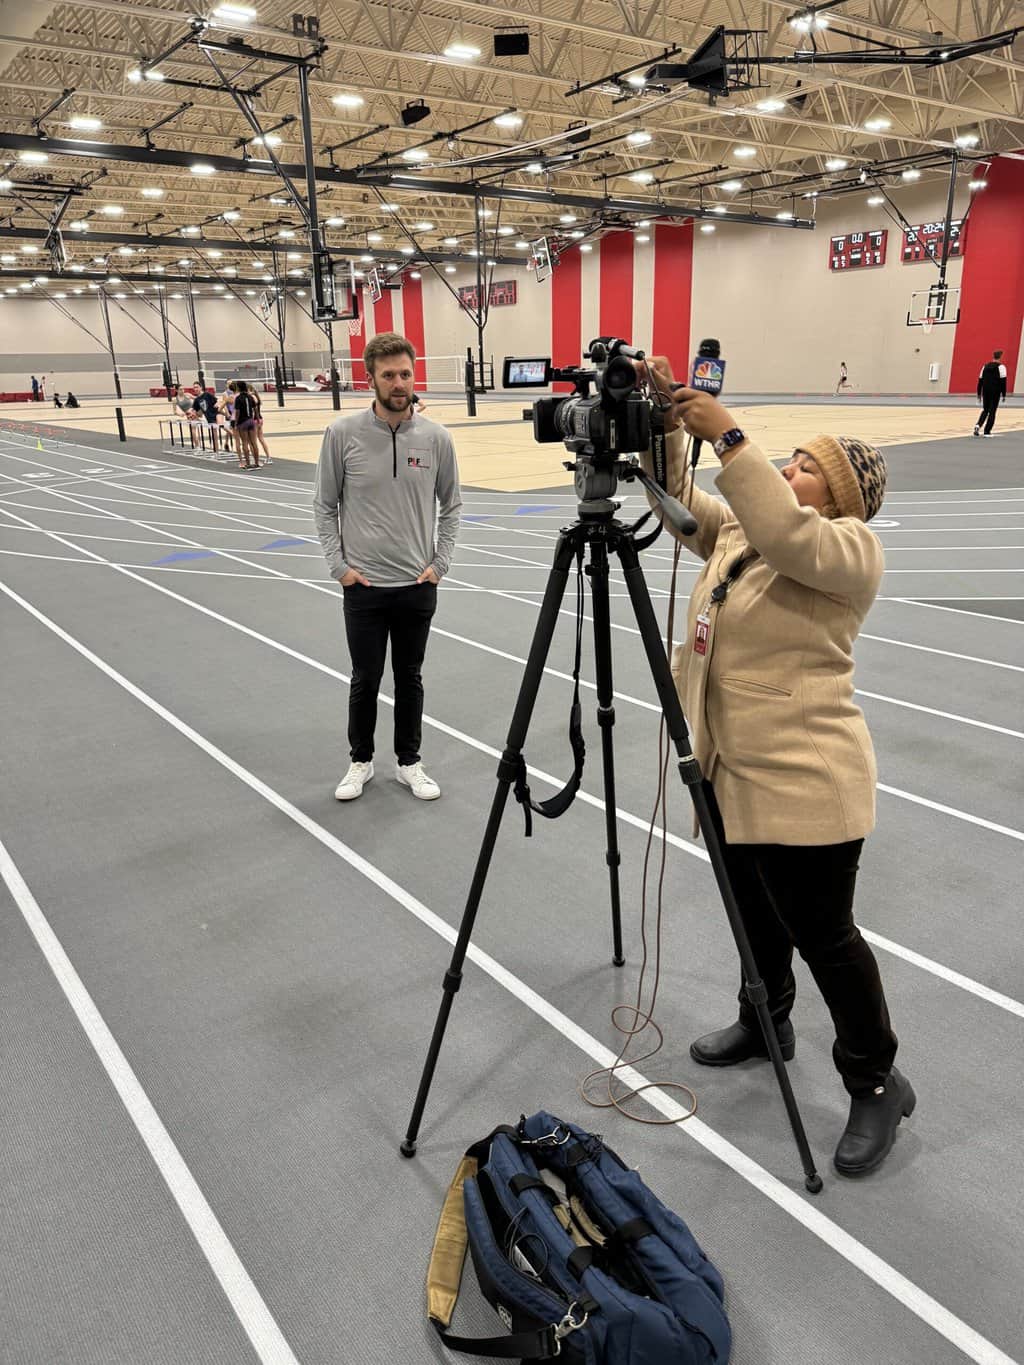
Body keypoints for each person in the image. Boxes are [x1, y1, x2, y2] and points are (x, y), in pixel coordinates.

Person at [638, 354, 912, 1178]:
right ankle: (767, 1023)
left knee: (825, 935)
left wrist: (729, 433)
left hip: (806, 782)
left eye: (805, 468)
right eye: (786, 462)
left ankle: (876, 1079)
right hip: (730, 769)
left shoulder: (848, 549)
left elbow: (788, 534)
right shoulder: (743, 534)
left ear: (842, 496)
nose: (788, 470)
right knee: (753, 914)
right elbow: (678, 502)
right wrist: (665, 425)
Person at [313, 331, 462, 803]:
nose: (399, 383)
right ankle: (360, 761)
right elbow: (324, 505)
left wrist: (440, 564)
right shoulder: (342, 435)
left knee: (410, 678)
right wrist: (339, 568)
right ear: (370, 379)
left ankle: (409, 763)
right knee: (365, 679)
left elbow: (452, 505)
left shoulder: (436, 438)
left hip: (417, 584)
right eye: (389, 375)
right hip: (364, 587)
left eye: (405, 374)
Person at [974, 349, 1007, 437]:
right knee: (992, 411)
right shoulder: (1001, 367)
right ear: (1000, 357)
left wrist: (979, 394)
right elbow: (1003, 382)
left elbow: (980, 381)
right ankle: (987, 431)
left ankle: (978, 425)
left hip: (985, 391)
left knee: (985, 409)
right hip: (995, 391)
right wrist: (1004, 394)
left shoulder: (984, 366)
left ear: (993, 356)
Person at [232, 379, 259, 469]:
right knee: (254, 443)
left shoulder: (238, 398)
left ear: (238, 388)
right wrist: (257, 419)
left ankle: (248, 463)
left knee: (245, 442)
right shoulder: (250, 397)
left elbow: (237, 412)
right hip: (251, 421)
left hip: (242, 422)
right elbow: (255, 409)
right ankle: (256, 463)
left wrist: (236, 423)